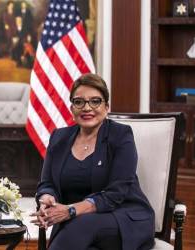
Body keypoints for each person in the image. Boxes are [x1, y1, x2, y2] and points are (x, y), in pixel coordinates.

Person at [31, 73, 155, 250]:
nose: (86, 108)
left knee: (79, 226)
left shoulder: (121, 136)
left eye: (95, 101)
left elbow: (115, 194)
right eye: (79, 102)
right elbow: (47, 183)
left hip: (123, 218)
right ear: (72, 108)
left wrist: (71, 210)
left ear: (106, 107)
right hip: (77, 226)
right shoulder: (59, 138)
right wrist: (46, 199)